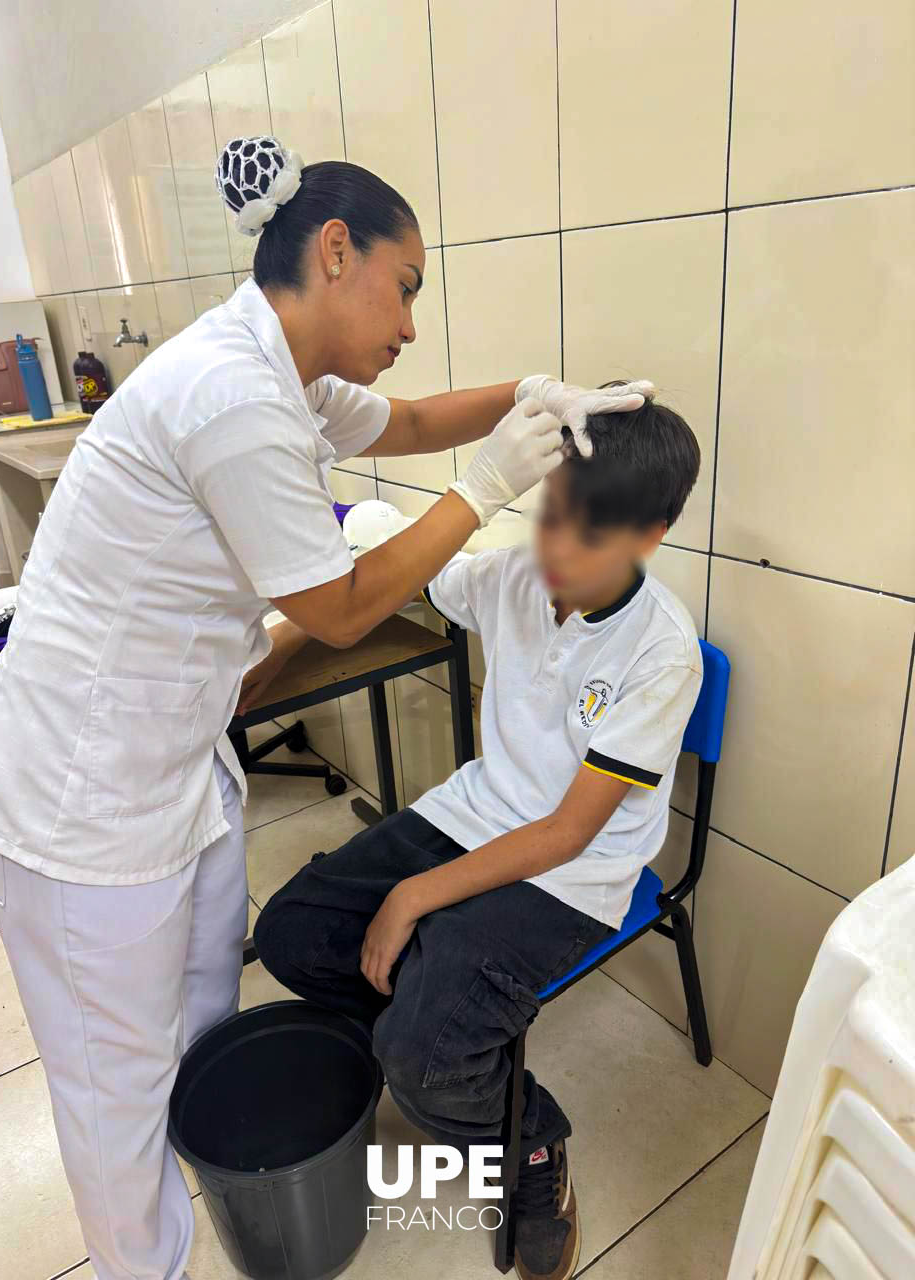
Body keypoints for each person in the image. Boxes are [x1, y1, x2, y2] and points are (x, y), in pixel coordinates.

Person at [0, 134, 651, 1280]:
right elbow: (335, 608)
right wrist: (483, 491)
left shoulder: (273, 369)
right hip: (83, 797)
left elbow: (414, 420)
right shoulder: (231, 392)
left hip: (174, 764)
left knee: (196, 1019)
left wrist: (530, 395)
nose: (413, 321)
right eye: (408, 284)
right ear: (337, 251)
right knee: (110, 1088)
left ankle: (223, 1165)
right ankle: (147, 1258)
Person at [253, 396, 703, 1280]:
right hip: (474, 812)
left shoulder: (662, 654)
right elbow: (397, 581)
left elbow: (571, 831)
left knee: (421, 1059)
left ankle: (533, 1146)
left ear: (650, 534)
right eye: (550, 515)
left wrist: (412, 896)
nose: (556, 551)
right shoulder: (510, 576)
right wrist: (280, 635)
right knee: (291, 934)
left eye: (590, 533)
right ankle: (426, 1032)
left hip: (575, 871)